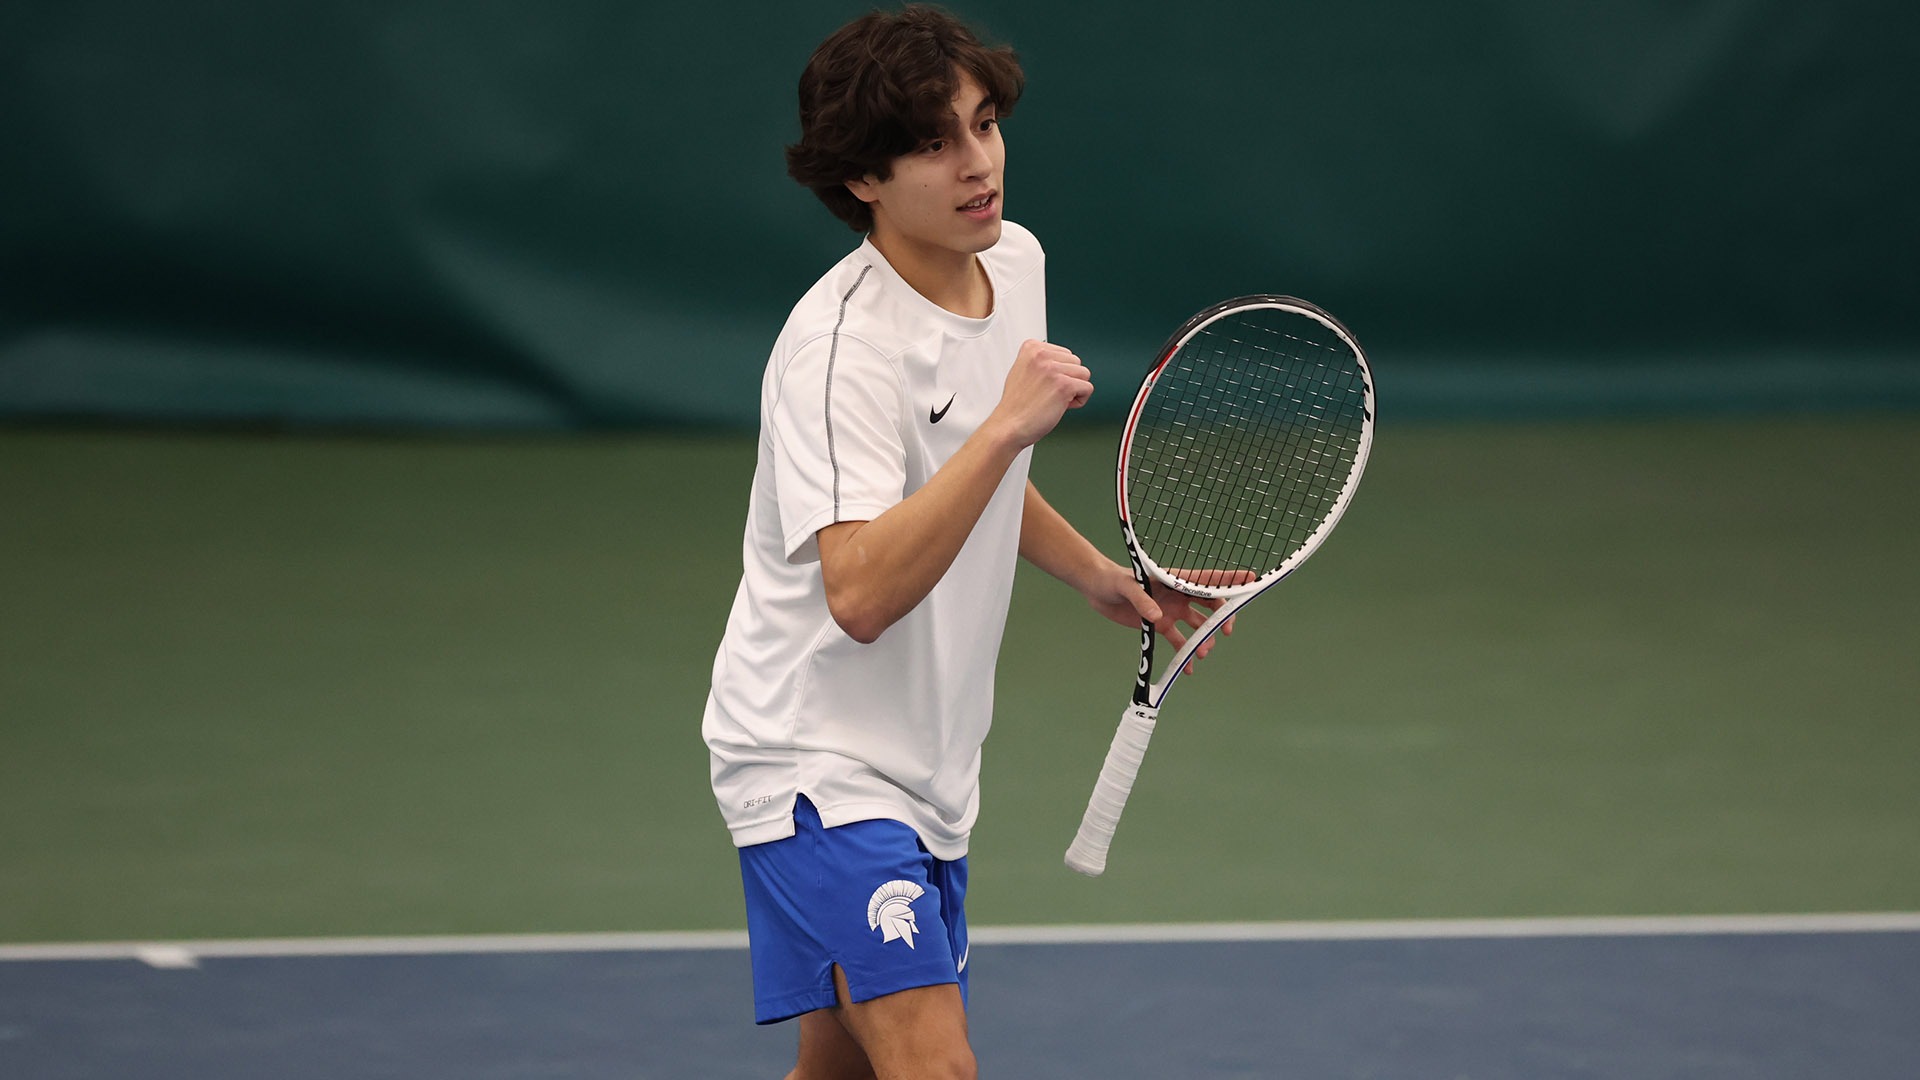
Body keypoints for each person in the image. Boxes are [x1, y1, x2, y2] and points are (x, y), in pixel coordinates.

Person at [702, 7, 1227, 1077]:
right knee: (935, 1065)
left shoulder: (1012, 262)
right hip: (815, 763)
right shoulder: (840, 352)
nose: (978, 164)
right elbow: (857, 592)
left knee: (841, 1069)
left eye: (983, 125)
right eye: (934, 144)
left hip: (929, 767)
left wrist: (1100, 575)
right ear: (863, 179)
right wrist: (1002, 428)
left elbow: (961, 478)